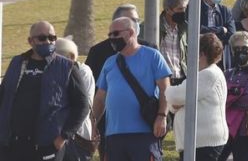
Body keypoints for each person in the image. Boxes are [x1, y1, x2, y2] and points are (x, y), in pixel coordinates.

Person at [0, 22, 90, 160]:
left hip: (47, 146)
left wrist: (63, 137)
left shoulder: (67, 67)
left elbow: (82, 105)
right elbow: (4, 95)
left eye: (52, 38)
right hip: (13, 145)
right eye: (42, 38)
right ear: (30, 41)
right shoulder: (17, 63)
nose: (47, 41)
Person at [93, 16, 171, 160]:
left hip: (145, 135)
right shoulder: (110, 62)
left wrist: (162, 116)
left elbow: (165, 89)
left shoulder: (152, 56)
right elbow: (100, 98)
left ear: (130, 33)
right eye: (109, 35)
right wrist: (92, 124)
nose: (111, 38)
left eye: (115, 34)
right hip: (113, 136)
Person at [167, 33, 228, 159]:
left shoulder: (208, 74)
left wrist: (171, 95)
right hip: (198, 143)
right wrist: (178, 102)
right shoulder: (205, 73)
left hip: (203, 144)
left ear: (202, 54)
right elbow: (175, 103)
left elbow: (173, 95)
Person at [220, 32, 248, 161]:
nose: (240, 52)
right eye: (236, 49)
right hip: (226, 126)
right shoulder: (227, 73)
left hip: (245, 129)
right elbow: (218, 98)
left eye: (244, 48)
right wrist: (237, 94)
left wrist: (229, 98)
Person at [54, 37, 95, 161]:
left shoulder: (83, 71)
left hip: (76, 136)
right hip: (57, 135)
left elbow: (82, 105)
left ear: (70, 56)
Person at [86, 4, 151, 79]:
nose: (135, 24)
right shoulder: (98, 52)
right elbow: (91, 84)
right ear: (116, 22)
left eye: (137, 20)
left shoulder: (150, 49)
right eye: (131, 20)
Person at [159, 0, 189, 85]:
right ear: (168, 10)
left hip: (181, 80)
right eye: (180, 9)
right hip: (161, 81)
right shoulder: (153, 27)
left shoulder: (185, 29)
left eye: (185, 9)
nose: (183, 12)